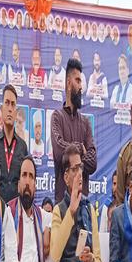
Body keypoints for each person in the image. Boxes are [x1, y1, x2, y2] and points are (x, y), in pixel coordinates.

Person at [51, 58, 97, 202]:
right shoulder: (57, 117)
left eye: (81, 82)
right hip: (62, 205)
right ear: (68, 83)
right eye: (77, 81)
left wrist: (71, 156)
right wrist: (81, 149)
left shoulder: (85, 123)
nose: (81, 86)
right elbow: (59, 153)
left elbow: (93, 163)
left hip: (83, 204)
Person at [0, 85, 28, 203]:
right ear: (2, 109)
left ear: (16, 112)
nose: (10, 108)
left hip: (17, 209)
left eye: (13, 104)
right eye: (7, 103)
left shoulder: (23, 147)